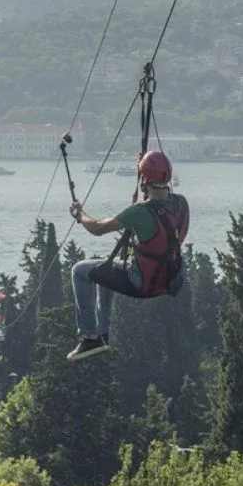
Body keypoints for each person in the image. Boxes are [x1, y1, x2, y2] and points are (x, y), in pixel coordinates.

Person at [66, 150, 189, 361]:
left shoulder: (140, 211)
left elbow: (97, 228)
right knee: (105, 270)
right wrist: (143, 167)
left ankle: (88, 336)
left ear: (144, 180)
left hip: (141, 283)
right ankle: (102, 333)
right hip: (167, 280)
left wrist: (80, 215)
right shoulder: (182, 204)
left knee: (79, 271)